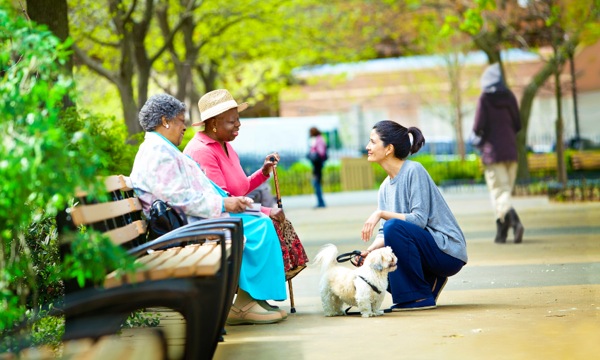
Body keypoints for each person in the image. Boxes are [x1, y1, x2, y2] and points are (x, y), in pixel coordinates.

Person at [129, 93, 287, 325]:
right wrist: (224, 203)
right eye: (181, 120)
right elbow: (177, 197)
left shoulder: (161, 148)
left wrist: (234, 201)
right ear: (165, 121)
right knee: (258, 226)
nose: (185, 126)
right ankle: (244, 303)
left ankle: (252, 298)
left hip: (187, 220)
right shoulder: (158, 152)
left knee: (258, 223)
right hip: (181, 228)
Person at [183, 89, 309, 276]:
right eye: (232, 121)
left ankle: (259, 292)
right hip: (214, 218)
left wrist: (264, 171)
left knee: (279, 221)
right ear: (214, 123)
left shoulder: (225, 145)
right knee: (268, 223)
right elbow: (225, 200)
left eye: (238, 119)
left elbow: (241, 188)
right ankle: (249, 294)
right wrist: (266, 210)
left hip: (230, 212)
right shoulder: (202, 150)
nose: (238, 124)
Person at [356, 120, 467, 311]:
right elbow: (385, 234)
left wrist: (380, 213)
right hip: (426, 250)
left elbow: (418, 220)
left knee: (393, 227)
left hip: (447, 250)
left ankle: (418, 298)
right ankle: (429, 284)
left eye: (373, 142)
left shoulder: (414, 171)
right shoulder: (384, 187)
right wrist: (369, 252)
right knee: (376, 262)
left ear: (388, 148)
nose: (368, 147)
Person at [473, 63, 524, 244]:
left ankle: (515, 222)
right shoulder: (510, 96)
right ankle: (501, 233)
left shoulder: (485, 99)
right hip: (511, 151)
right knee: (505, 192)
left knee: (499, 192)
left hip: (493, 153)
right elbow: (518, 124)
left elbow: (477, 127)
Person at [308, 127, 327, 208]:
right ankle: (320, 201)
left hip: (317, 163)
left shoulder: (318, 139)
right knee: (316, 182)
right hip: (317, 163)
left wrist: (314, 153)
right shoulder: (319, 139)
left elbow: (321, 152)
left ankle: (321, 202)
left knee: (316, 182)